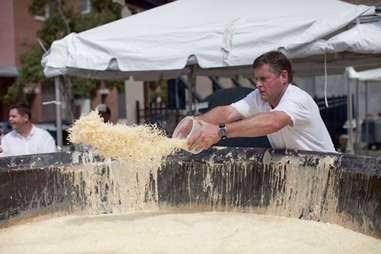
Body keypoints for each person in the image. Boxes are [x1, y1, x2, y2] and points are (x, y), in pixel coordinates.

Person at [173, 51, 335, 153]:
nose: (258, 84)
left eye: (263, 79)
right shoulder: (259, 96)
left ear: (283, 77)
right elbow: (228, 112)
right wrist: (196, 122)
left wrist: (220, 131)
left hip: (328, 172)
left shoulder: (298, 98)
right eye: (256, 79)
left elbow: (273, 122)